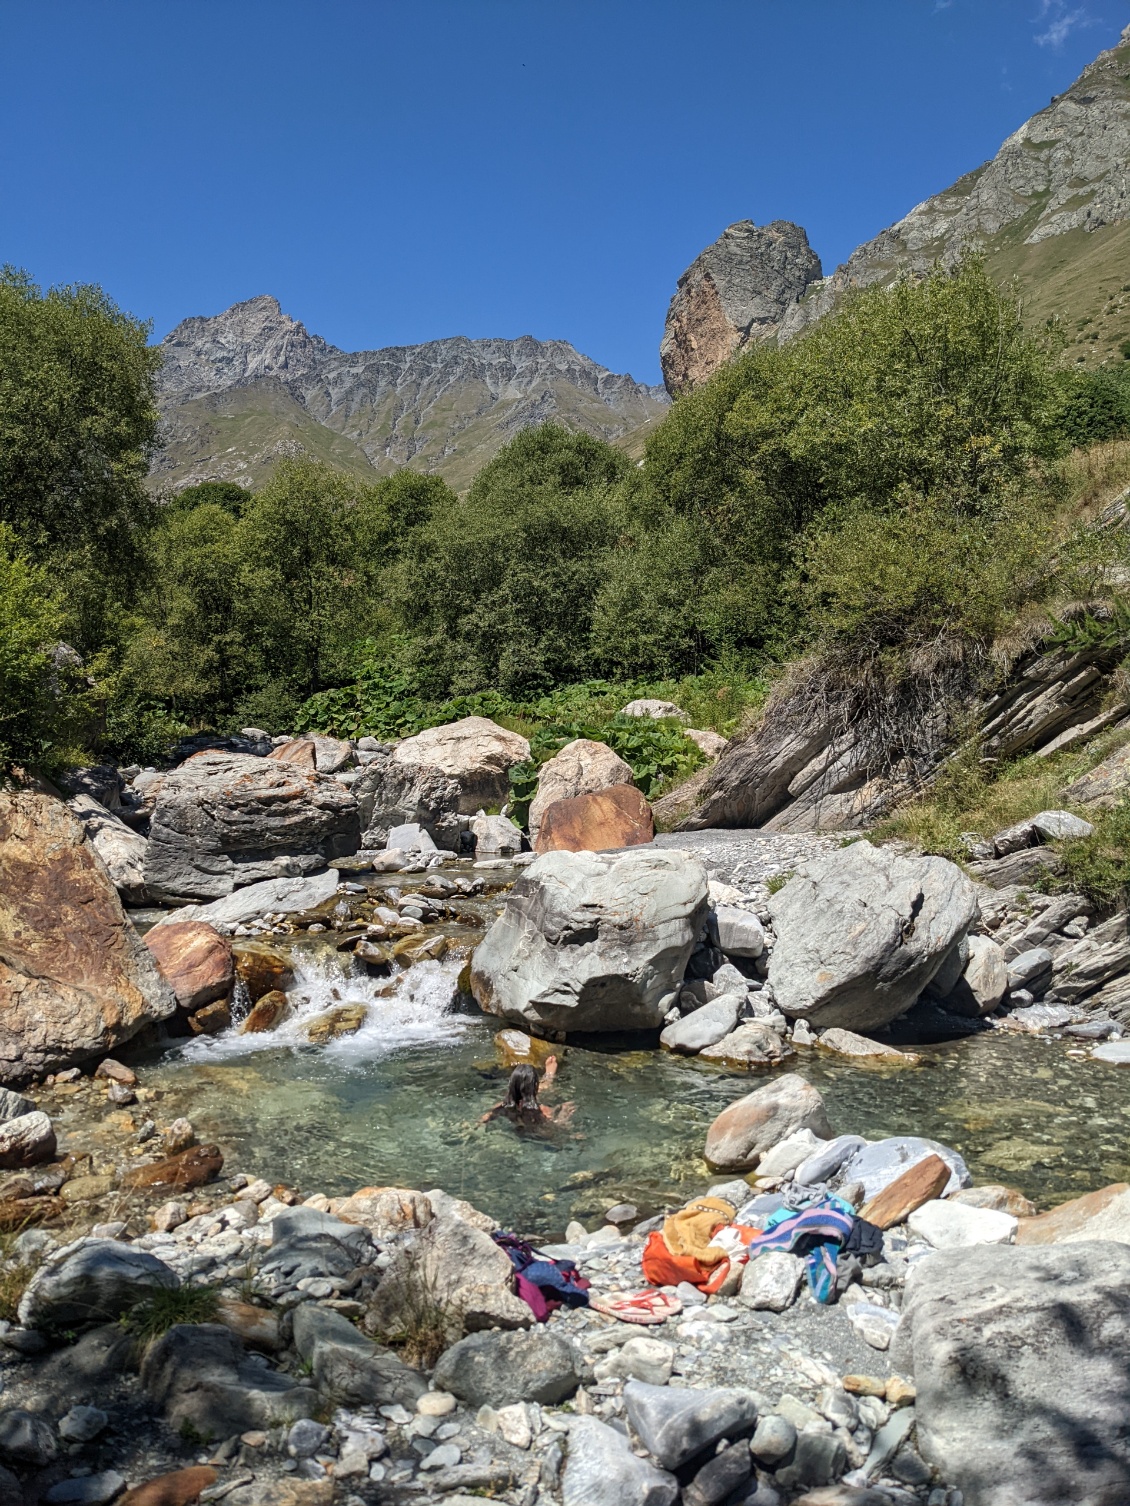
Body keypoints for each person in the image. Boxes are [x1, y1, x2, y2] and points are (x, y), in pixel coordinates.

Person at [481, 1057, 574, 1127]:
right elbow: (556, 1129)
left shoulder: (502, 1107)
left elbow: (485, 1118)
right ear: (536, 1086)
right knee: (566, 1105)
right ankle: (549, 1074)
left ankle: (549, 1074)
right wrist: (564, 1115)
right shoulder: (543, 1111)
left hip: (518, 1133)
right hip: (540, 1138)